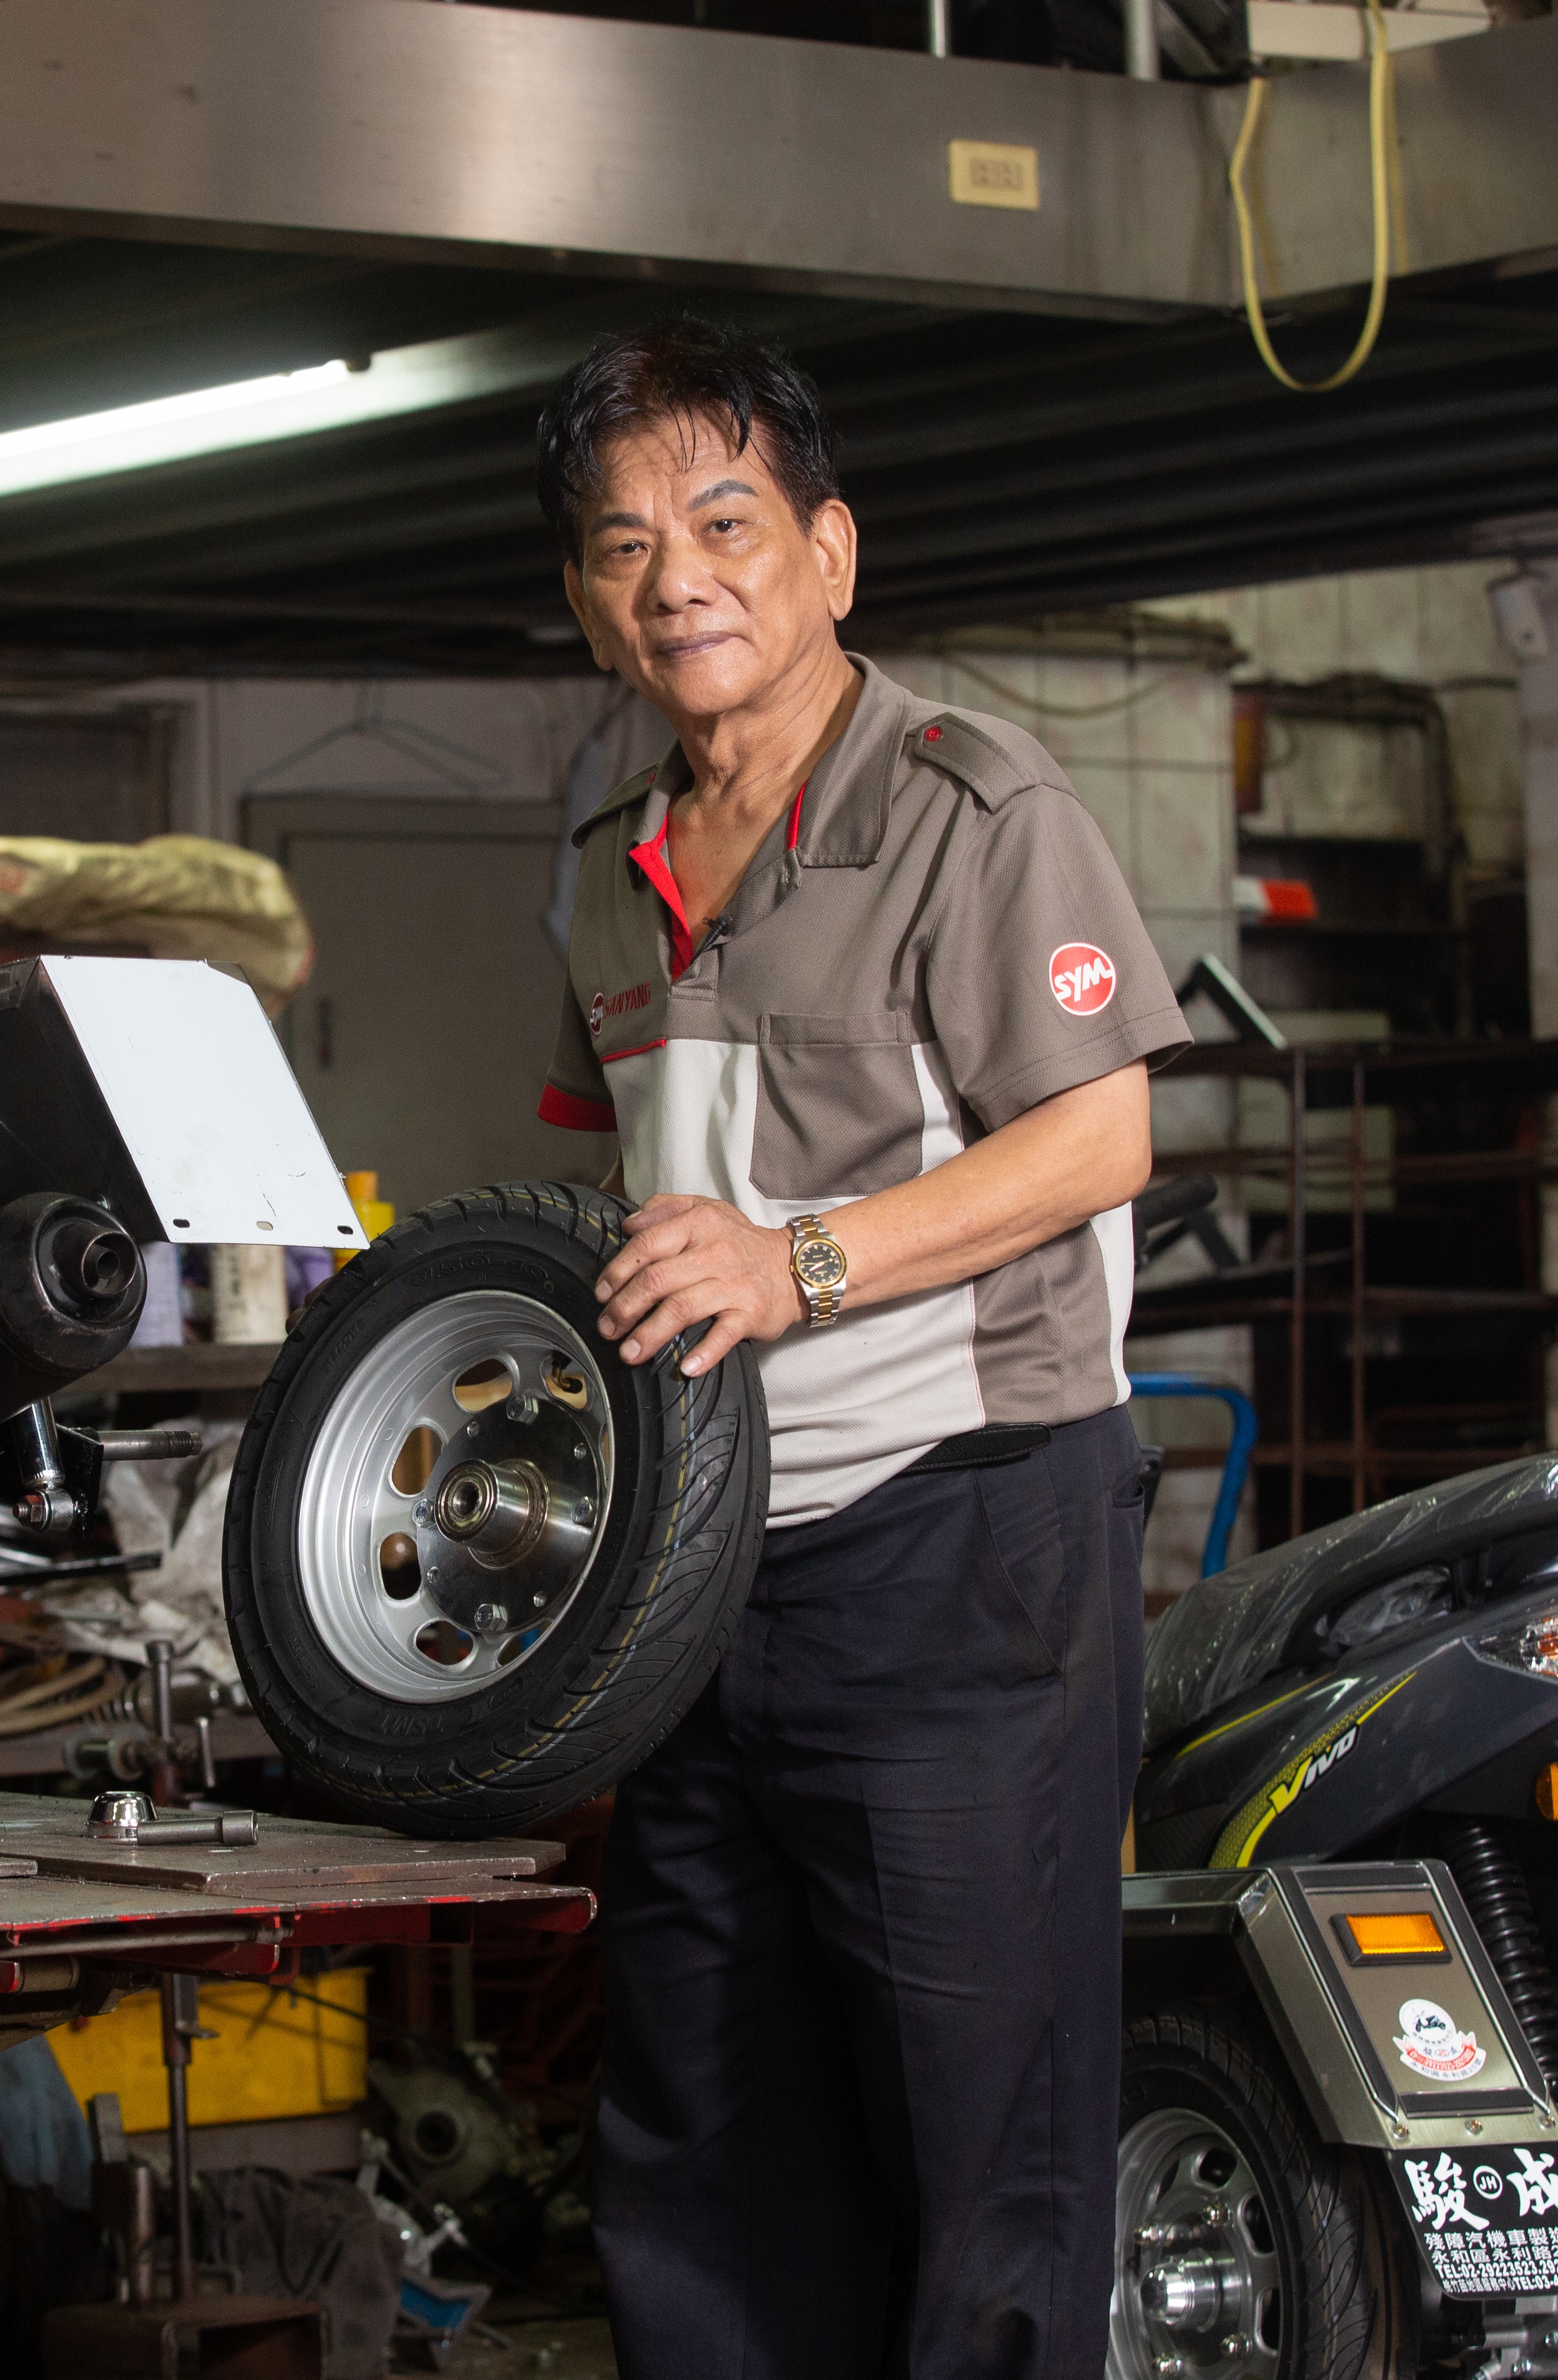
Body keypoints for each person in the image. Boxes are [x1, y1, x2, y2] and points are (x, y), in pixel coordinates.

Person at [531, 319, 1190, 2380]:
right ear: (584, 598)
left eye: (725, 525)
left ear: (830, 554)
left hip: (956, 1542)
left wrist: (794, 1270)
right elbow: (596, 1194)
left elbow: (1103, 1137)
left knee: (976, 2134)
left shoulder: (971, 806)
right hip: (697, 1571)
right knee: (703, 2131)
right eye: (626, 545)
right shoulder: (596, 867)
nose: (678, 580)